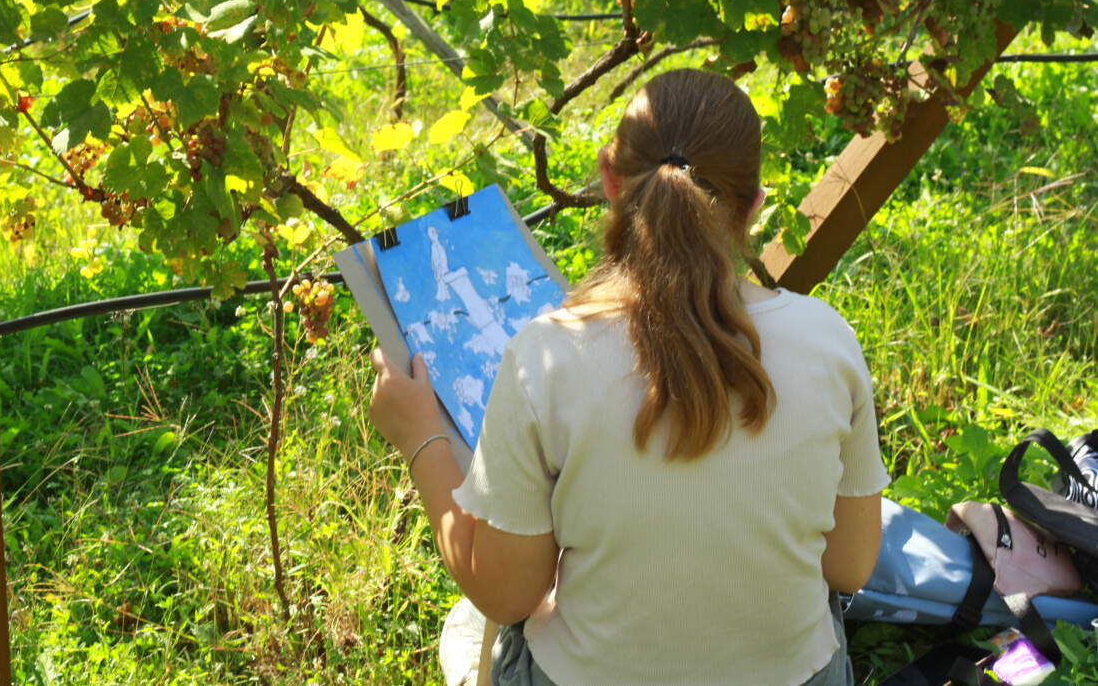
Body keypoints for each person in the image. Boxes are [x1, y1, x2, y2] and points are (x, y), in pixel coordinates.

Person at [368, 68, 889, 685]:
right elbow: (850, 567)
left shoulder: (545, 355)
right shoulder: (829, 341)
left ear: (609, 177)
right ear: (754, 204)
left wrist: (422, 438)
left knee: (468, 626)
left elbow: (505, 596)